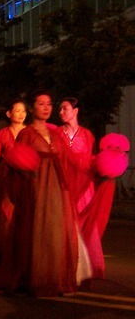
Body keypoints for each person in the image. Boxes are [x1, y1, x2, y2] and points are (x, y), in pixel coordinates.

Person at [0, 90, 91, 296]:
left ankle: (55, 276)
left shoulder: (56, 134)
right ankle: (35, 276)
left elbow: (69, 161)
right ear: (32, 108)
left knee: (56, 232)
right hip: (35, 188)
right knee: (35, 230)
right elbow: (14, 163)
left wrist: (93, 169)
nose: (46, 108)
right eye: (41, 104)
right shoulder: (26, 134)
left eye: (49, 104)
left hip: (56, 189)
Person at [58, 97, 103, 278]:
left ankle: (89, 264)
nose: (61, 112)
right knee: (65, 224)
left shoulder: (86, 135)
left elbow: (91, 160)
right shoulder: (56, 133)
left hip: (84, 186)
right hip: (64, 184)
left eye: (65, 108)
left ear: (75, 111)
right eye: (60, 109)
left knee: (86, 224)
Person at [0, 99, 27, 259]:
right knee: (7, 215)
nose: (20, 114)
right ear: (9, 113)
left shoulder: (30, 132)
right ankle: (7, 252)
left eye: (23, 111)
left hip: (25, 178)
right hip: (7, 178)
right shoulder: (3, 134)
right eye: (17, 110)